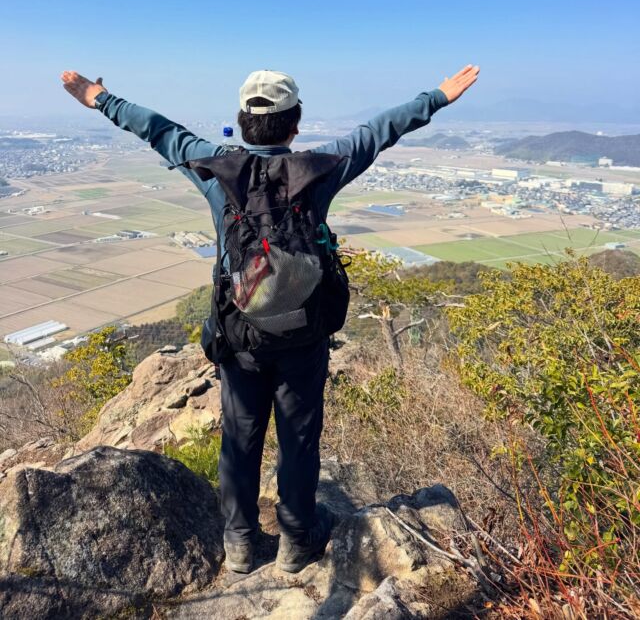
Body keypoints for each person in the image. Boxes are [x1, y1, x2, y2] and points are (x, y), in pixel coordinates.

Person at [61, 64, 480, 574]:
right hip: (304, 335)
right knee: (299, 440)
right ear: (295, 123)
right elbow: (378, 133)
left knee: (240, 437)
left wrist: (100, 98)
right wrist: (436, 97)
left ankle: (239, 542)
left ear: (241, 122)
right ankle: (297, 540)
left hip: (240, 335)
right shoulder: (318, 171)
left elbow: (159, 130)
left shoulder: (217, 169)